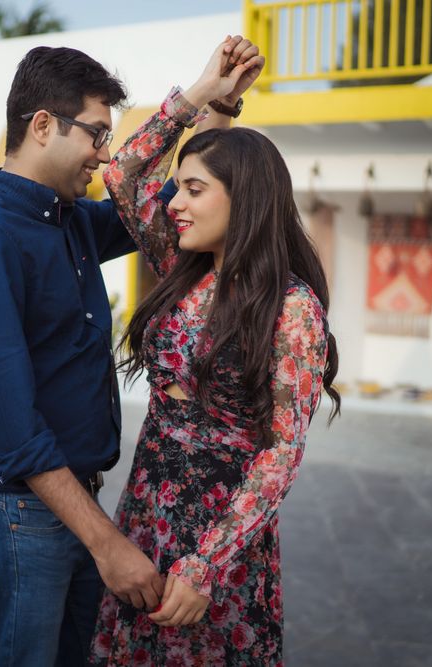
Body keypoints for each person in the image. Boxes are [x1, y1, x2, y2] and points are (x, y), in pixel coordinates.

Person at [88, 37, 341, 665]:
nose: (174, 203)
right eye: (177, 189)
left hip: (220, 542)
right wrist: (203, 96)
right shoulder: (181, 267)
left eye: (194, 190)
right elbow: (122, 172)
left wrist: (209, 564)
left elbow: (283, 450)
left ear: (243, 195)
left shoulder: (293, 307)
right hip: (145, 513)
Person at [0, 46, 167, 666]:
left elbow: (169, 208)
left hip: (68, 503)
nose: (105, 154)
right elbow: (9, 426)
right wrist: (108, 544)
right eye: (96, 134)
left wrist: (213, 105)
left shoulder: (70, 221)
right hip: (17, 511)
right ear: (42, 125)